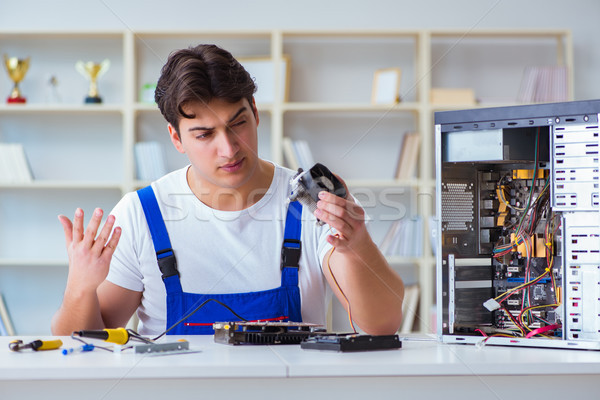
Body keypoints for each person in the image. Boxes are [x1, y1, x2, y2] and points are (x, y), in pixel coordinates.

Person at [51, 44, 404, 336]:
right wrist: (79, 288)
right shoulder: (141, 213)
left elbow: (383, 326)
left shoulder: (316, 201)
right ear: (176, 138)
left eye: (238, 124)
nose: (229, 148)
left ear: (255, 113)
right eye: (205, 134)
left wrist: (359, 245)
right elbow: (80, 348)